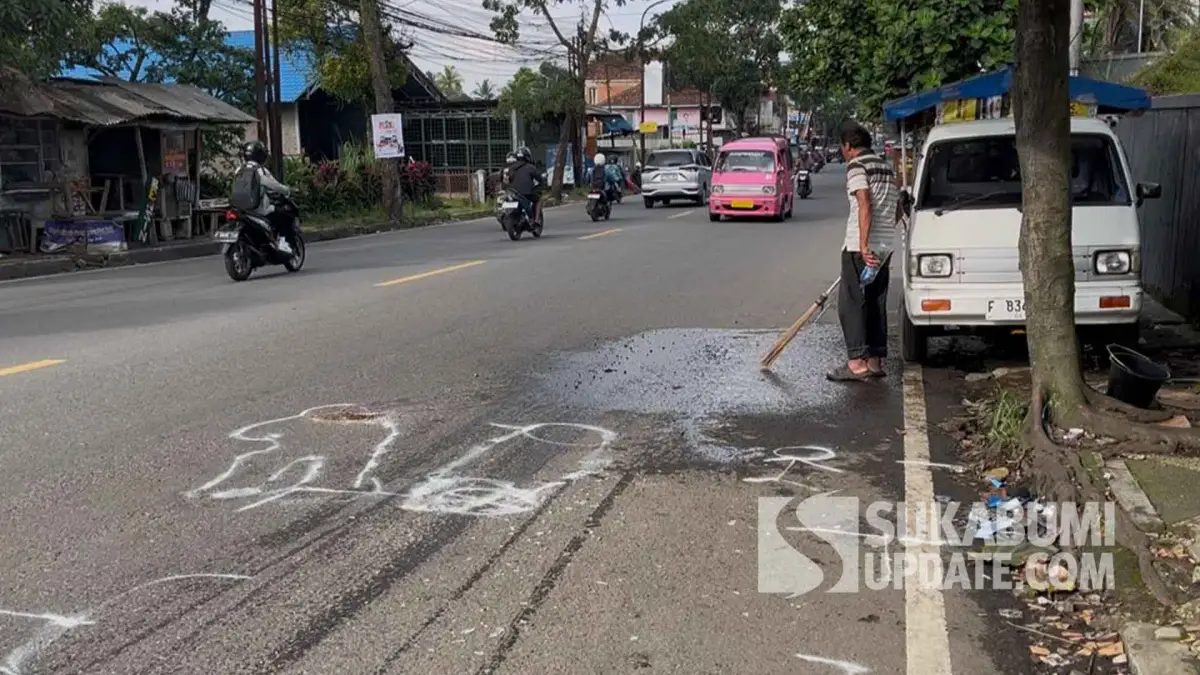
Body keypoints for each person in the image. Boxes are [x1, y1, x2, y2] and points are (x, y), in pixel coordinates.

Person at [828, 121, 899, 382]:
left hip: (861, 247)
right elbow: (897, 208)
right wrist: (880, 241)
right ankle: (875, 361)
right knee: (875, 302)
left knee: (852, 303)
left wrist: (864, 244)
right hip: (884, 246)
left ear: (848, 146)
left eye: (843, 147)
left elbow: (864, 203)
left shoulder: (857, 166)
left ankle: (856, 363)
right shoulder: (886, 167)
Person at [230, 139, 295, 247]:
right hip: (259, 210)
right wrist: (287, 190)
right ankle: (283, 243)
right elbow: (274, 186)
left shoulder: (239, 170)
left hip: (240, 209)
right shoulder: (260, 171)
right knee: (285, 215)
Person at [507, 146, 543, 225]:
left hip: (514, 193)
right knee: (538, 200)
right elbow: (539, 178)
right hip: (526, 192)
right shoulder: (531, 167)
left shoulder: (511, 168)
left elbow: (509, 179)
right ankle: (536, 220)